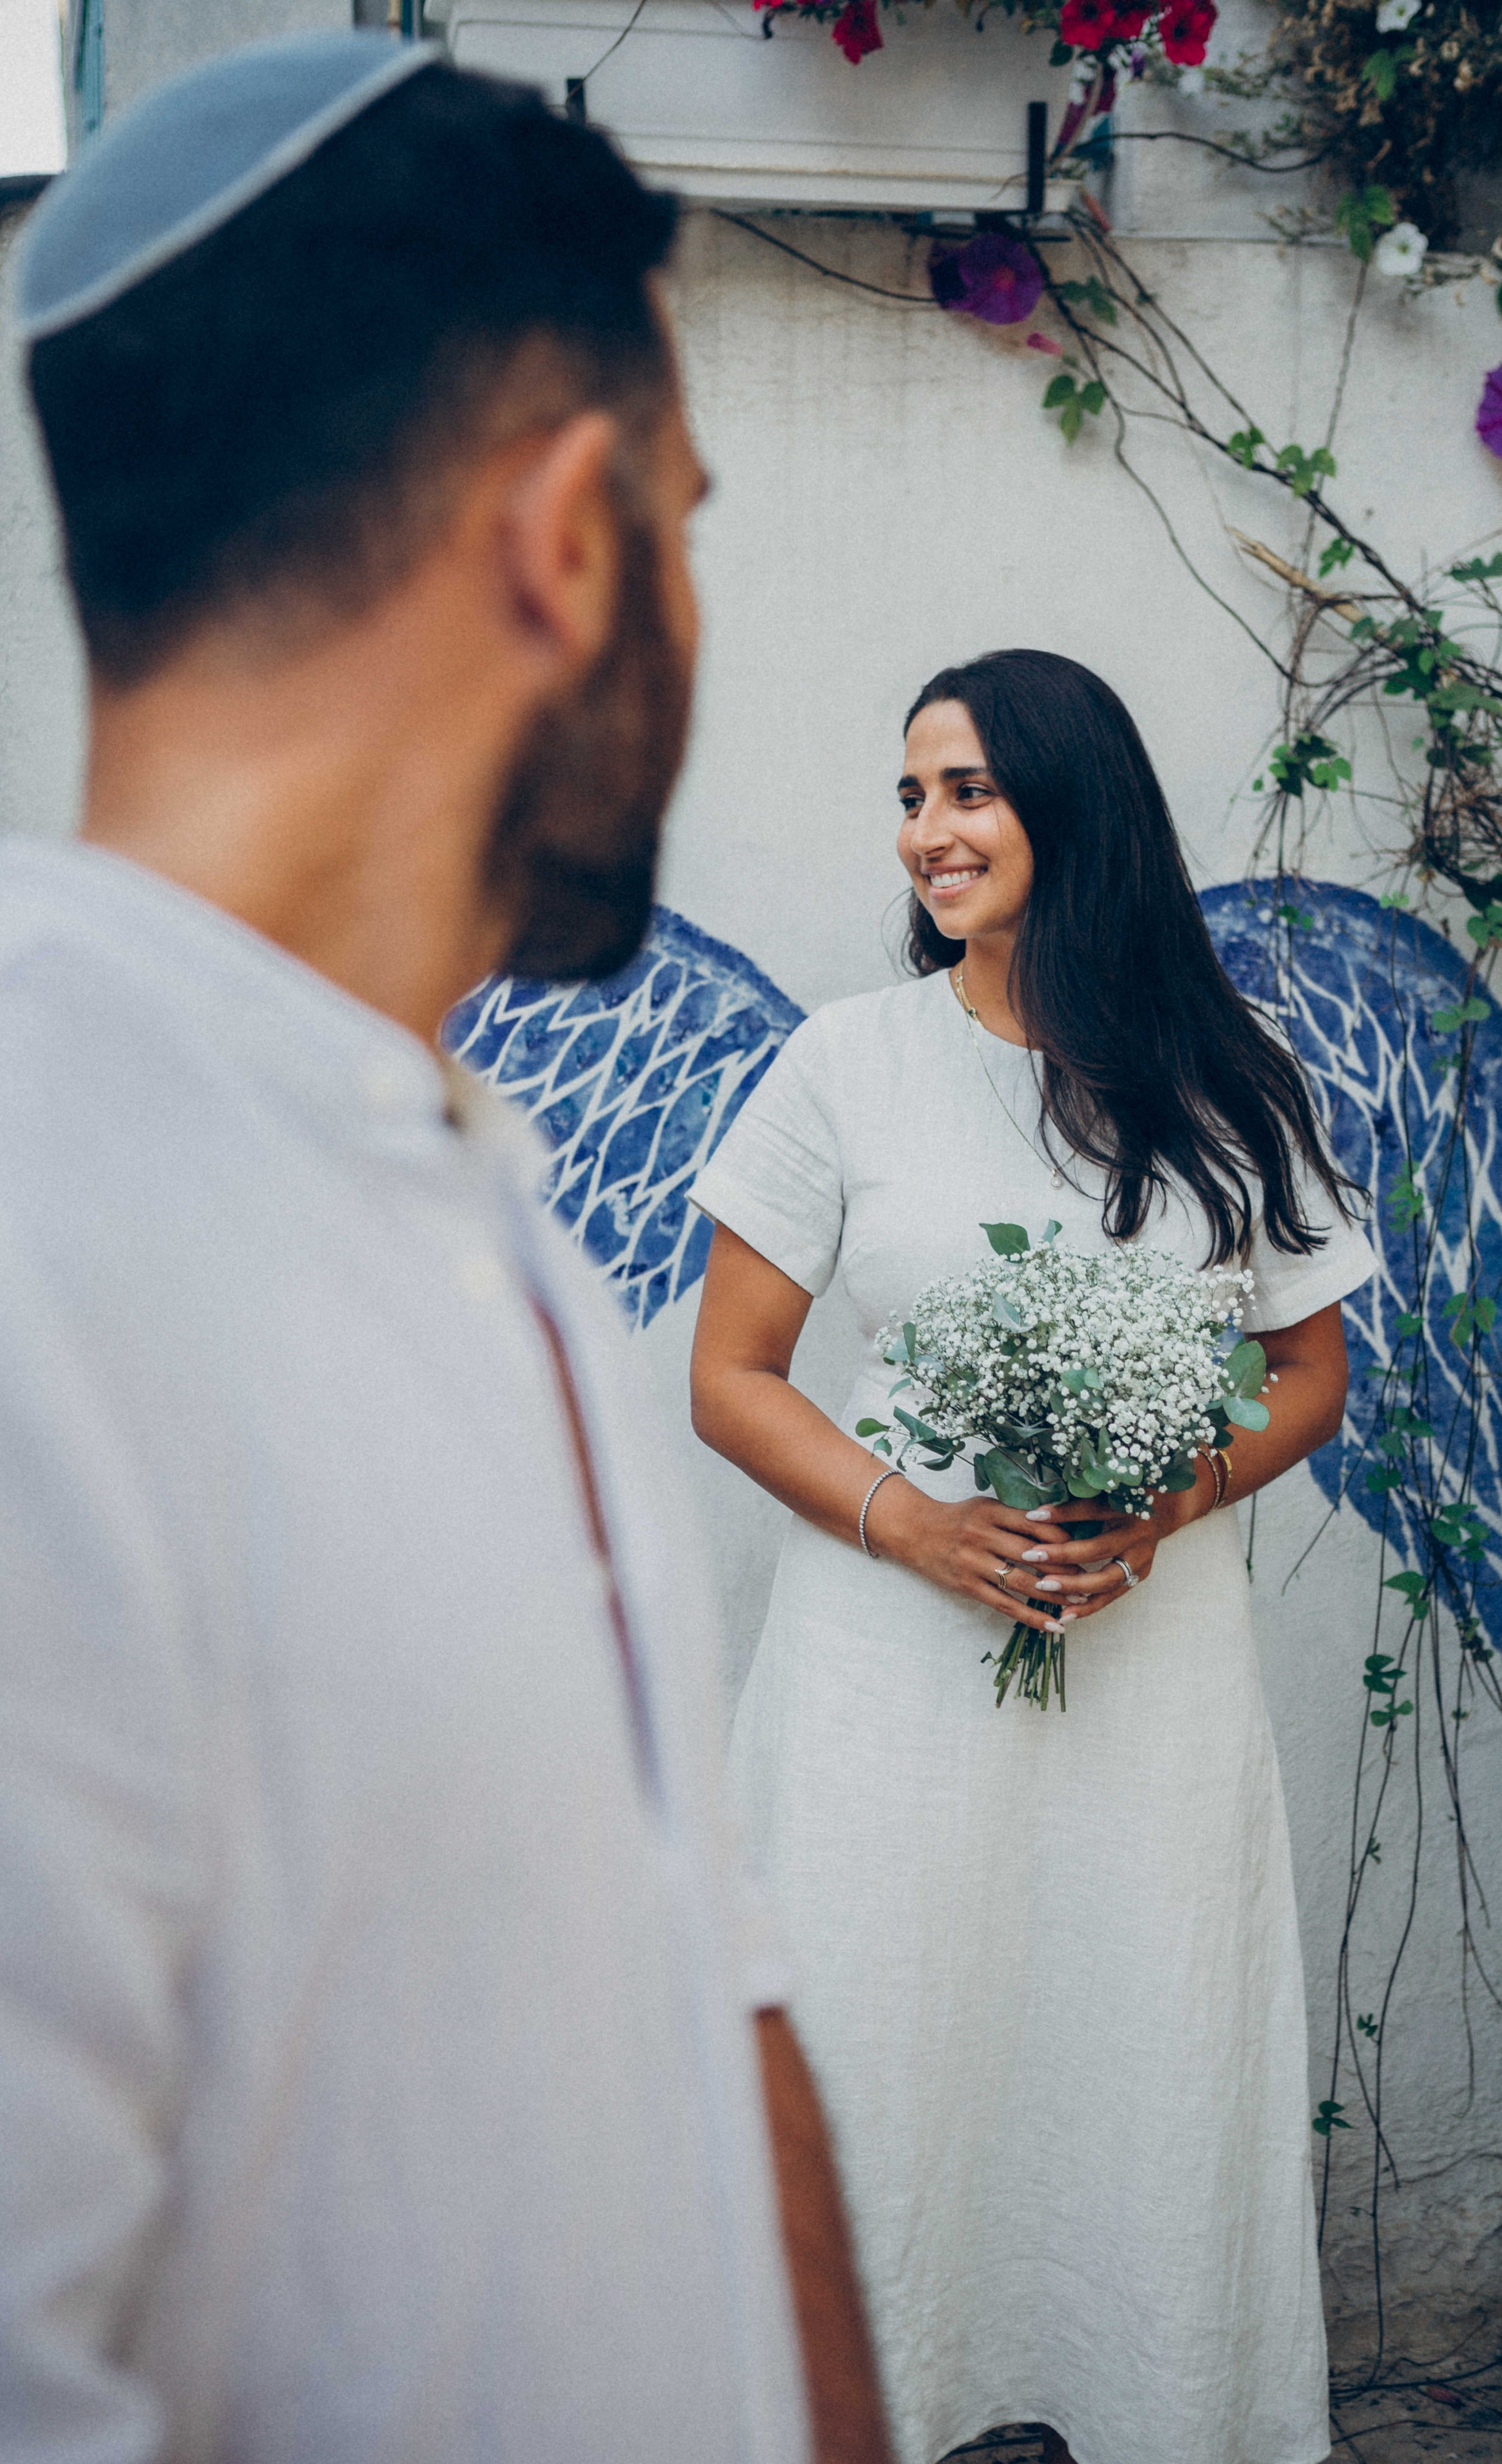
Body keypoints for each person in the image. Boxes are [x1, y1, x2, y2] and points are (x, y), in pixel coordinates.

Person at [0, 35, 890, 2464]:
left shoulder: (473, 1179)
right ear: (572, 536)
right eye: (687, 524)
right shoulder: (35, 1259)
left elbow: (708, 1977)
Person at [688, 648, 1378, 2464]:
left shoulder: (1229, 1081)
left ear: (1075, 809)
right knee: (892, 2055)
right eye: (913, 793)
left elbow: (1311, 1376)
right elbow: (730, 1380)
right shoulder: (845, 1065)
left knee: (1133, 2058)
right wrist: (913, 1522)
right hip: (881, 1687)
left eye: (970, 789)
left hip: (1148, 1689)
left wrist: (1164, 1503)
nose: (929, 829)